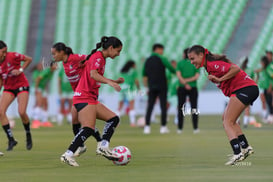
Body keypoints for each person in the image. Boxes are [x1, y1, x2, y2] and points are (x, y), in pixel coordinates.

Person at [188, 45, 258, 165]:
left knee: (227, 121)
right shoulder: (209, 66)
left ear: (201, 55)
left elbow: (235, 69)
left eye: (193, 58)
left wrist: (220, 79)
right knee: (227, 119)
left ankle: (237, 153)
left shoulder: (212, 64)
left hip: (244, 89)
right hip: (246, 89)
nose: (191, 62)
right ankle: (245, 147)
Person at [60, 36, 123, 167]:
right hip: (84, 96)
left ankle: (103, 146)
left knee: (113, 119)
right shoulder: (98, 57)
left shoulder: (100, 58)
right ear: (111, 48)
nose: (118, 54)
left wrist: (113, 81)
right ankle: (68, 154)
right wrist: (110, 83)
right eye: (118, 51)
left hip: (88, 97)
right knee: (88, 128)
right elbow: (93, 74)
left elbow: (94, 75)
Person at [51, 42, 102, 157]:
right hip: (79, 95)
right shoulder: (64, 63)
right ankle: (83, 145)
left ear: (61, 52)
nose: (53, 56)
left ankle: (99, 142)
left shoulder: (74, 58)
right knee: (75, 121)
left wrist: (85, 63)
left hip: (87, 93)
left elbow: (91, 58)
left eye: (54, 54)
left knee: (85, 124)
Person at [0, 40, 33, 151]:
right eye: (2, 51)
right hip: (8, 87)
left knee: (21, 112)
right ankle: (11, 139)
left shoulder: (13, 56)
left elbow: (29, 59)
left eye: (5, 51)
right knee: (1, 112)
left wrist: (20, 70)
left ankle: (28, 134)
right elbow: (1, 78)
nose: (5, 53)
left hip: (21, 85)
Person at [142, 43, 176, 134]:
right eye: (161, 49)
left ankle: (147, 127)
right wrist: (177, 72)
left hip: (151, 86)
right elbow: (171, 69)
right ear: (157, 49)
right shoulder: (162, 58)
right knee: (163, 106)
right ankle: (163, 127)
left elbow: (144, 75)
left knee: (150, 106)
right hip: (162, 85)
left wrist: (146, 86)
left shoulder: (147, 60)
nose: (162, 52)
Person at [176, 48, 200, 134]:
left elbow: (178, 75)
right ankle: (195, 128)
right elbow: (196, 76)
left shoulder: (180, 63)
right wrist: (189, 83)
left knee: (181, 108)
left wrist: (185, 83)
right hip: (193, 87)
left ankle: (179, 128)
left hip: (182, 87)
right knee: (194, 108)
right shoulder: (195, 63)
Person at [33, 61, 58, 127]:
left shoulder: (51, 72)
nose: (56, 66)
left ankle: (44, 121)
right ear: (52, 66)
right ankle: (35, 121)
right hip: (39, 88)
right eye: (55, 65)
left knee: (46, 104)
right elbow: (38, 78)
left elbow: (46, 81)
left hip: (43, 88)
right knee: (39, 103)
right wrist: (36, 89)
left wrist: (46, 89)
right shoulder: (47, 71)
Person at [118, 60, 140, 127]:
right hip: (129, 89)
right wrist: (139, 88)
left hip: (122, 89)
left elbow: (119, 80)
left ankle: (116, 122)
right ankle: (132, 123)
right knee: (131, 106)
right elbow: (136, 81)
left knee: (120, 106)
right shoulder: (133, 71)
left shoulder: (122, 71)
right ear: (132, 65)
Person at [239, 57, 257, 127]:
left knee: (246, 106)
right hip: (240, 90)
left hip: (246, 90)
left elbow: (254, 78)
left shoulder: (248, 70)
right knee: (239, 107)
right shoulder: (238, 70)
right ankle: (239, 121)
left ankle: (245, 122)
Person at [255, 56, 270, 123]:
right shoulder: (260, 70)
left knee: (267, 102)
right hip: (261, 87)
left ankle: (267, 116)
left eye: (262, 62)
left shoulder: (267, 69)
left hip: (266, 87)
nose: (261, 63)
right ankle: (265, 116)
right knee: (263, 102)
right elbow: (257, 78)